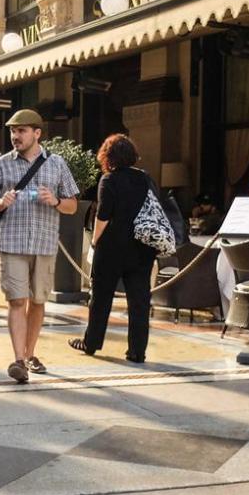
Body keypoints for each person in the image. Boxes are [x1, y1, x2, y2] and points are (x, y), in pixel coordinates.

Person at [0, 109, 79, 384]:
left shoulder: (56, 164)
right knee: (16, 300)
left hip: (44, 243)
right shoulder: (3, 164)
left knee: (38, 301)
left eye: (21, 131)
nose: (15, 136)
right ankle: (18, 360)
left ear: (37, 133)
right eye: (13, 131)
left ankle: (29, 353)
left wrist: (56, 201)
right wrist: (2, 202)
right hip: (12, 242)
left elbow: (72, 205)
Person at [69, 133, 156, 364]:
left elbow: (103, 215)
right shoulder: (145, 178)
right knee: (139, 300)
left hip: (112, 248)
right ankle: (137, 351)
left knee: (100, 297)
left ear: (107, 156)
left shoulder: (108, 180)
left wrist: (95, 241)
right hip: (142, 247)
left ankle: (91, 342)